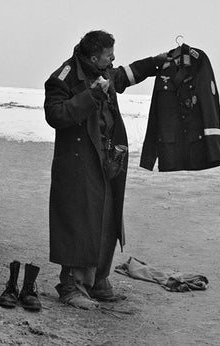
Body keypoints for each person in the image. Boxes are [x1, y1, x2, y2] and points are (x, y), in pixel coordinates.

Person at [44, 30, 166, 309]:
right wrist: (91, 95)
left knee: (107, 221)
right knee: (81, 221)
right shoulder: (63, 77)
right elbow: (56, 116)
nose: (113, 58)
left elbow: (124, 75)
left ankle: (98, 281)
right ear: (93, 56)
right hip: (79, 163)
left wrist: (155, 62)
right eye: (109, 54)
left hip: (107, 161)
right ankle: (71, 287)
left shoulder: (105, 72)